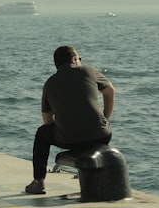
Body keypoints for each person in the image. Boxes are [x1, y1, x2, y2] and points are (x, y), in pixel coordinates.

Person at [25, 45, 115, 195]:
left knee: (42, 134)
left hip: (70, 141)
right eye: (79, 58)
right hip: (102, 135)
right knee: (96, 129)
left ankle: (39, 181)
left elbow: (47, 122)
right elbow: (110, 91)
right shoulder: (89, 71)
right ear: (74, 59)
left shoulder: (50, 83)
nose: (80, 61)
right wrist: (105, 119)